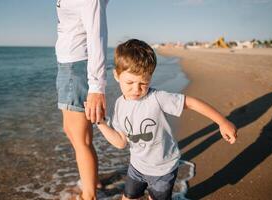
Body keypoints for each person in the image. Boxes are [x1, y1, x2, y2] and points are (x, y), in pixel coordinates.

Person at [93, 39, 237, 200]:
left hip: (163, 170)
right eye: (130, 82)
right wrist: (100, 122)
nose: (136, 89)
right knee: (128, 197)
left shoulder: (158, 98)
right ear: (116, 75)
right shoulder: (119, 105)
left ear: (150, 77)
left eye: (143, 83)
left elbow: (192, 103)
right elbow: (120, 142)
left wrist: (222, 122)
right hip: (136, 167)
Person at [55, 0, 108, 199]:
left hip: (75, 66)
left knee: (80, 138)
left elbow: (97, 35)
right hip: (69, 65)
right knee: (78, 134)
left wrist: (97, 86)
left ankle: (89, 195)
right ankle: (92, 181)